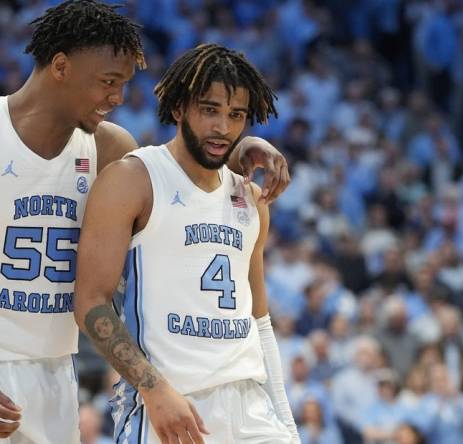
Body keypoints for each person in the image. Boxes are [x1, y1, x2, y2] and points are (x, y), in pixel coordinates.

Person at [0, 2, 291, 443]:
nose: (117, 98)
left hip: (56, 369)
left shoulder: (109, 148)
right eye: (108, 82)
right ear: (61, 67)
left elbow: (171, 180)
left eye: (123, 85)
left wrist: (236, 147)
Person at [74, 44, 297, 443]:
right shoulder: (133, 179)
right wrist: (152, 387)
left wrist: (286, 423)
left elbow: (260, 323)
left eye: (236, 115)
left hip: (251, 409)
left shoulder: (251, 200)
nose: (223, 128)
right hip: (171, 403)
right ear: (178, 108)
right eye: (209, 109)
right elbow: (90, 301)